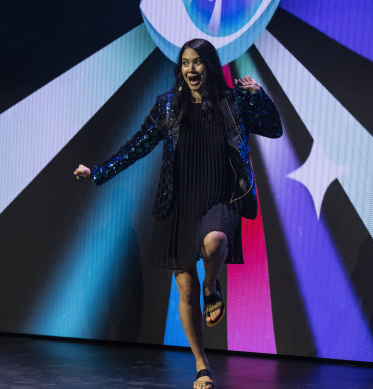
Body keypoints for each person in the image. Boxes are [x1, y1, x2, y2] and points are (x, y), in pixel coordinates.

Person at [74, 39, 282, 388]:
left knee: (215, 242)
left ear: (210, 67)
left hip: (221, 197)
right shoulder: (168, 107)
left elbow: (273, 129)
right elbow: (138, 146)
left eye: (198, 62)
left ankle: (212, 287)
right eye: (185, 63)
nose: (191, 69)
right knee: (184, 287)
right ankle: (202, 366)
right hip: (179, 204)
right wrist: (99, 172)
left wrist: (259, 95)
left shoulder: (235, 102)